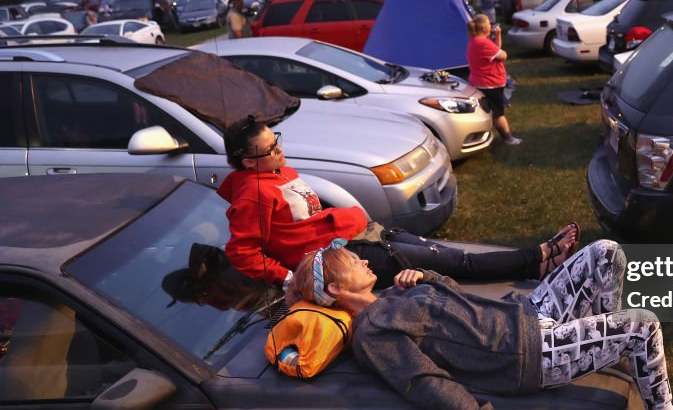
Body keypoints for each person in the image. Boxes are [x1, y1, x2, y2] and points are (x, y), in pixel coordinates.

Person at [288, 238, 673, 410]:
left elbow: (461, 303)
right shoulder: (374, 333)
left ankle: (605, 346)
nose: (365, 261)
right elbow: (427, 385)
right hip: (527, 353)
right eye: (352, 262)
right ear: (336, 290)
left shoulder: (391, 295)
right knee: (642, 325)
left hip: (527, 313)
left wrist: (428, 275)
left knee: (605, 253)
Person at [216, 118, 577, 287]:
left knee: (442, 251)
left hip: (363, 236)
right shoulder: (253, 193)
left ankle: (537, 265)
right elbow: (241, 251)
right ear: (248, 162)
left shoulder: (277, 173)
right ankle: (538, 257)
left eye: (276, 140)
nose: (281, 149)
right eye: (271, 148)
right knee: (455, 262)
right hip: (347, 259)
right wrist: (290, 278)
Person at [465, 14, 520, 145]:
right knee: (498, 113)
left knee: (491, 111)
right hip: (489, 84)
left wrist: (498, 35)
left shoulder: (477, 40)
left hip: (482, 81)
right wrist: (501, 52)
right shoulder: (483, 43)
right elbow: (503, 55)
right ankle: (508, 138)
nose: (491, 25)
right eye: (489, 23)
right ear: (484, 27)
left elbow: (496, 50)